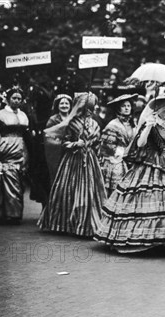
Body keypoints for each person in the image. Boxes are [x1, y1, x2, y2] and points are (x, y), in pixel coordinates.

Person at [95, 90, 165, 253]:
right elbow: (139, 144)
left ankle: (161, 238)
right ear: (158, 108)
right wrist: (148, 126)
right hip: (149, 163)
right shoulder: (150, 122)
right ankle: (139, 238)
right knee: (143, 196)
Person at [39, 92, 106, 237]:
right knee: (68, 191)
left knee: (91, 192)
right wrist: (76, 143)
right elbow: (63, 143)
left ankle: (88, 225)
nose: (89, 110)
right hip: (72, 160)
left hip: (90, 161)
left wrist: (94, 144)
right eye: (87, 107)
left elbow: (98, 143)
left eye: (91, 108)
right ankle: (66, 223)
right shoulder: (71, 123)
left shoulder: (95, 123)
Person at [0, 87, 30, 223]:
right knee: (5, 179)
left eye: (19, 98)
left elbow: (26, 133)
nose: (17, 101)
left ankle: (15, 212)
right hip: (5, 147)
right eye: (14, 98)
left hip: (20, 147)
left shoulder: (23, 115)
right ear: (8, 99)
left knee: (19, 180)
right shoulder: (0, 114)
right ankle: (4, 213)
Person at [98, 94, 137, 196]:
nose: (127, 108)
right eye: (123, 106)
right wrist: (124, 153)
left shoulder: (133, 124)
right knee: (117, 188)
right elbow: (107, 147)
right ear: (118, 108)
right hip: (115, 160)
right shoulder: (113, 125)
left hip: (132, 159)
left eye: (128, 105)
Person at [44, 94, 73, 186]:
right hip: (58, 152)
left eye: (67, 103)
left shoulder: (74, 118)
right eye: (62, 103)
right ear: (58, 105)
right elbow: (48, 137)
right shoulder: (53, 120)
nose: (64, 106)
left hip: (72, 152)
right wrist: (62, 143)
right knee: (58, 178)